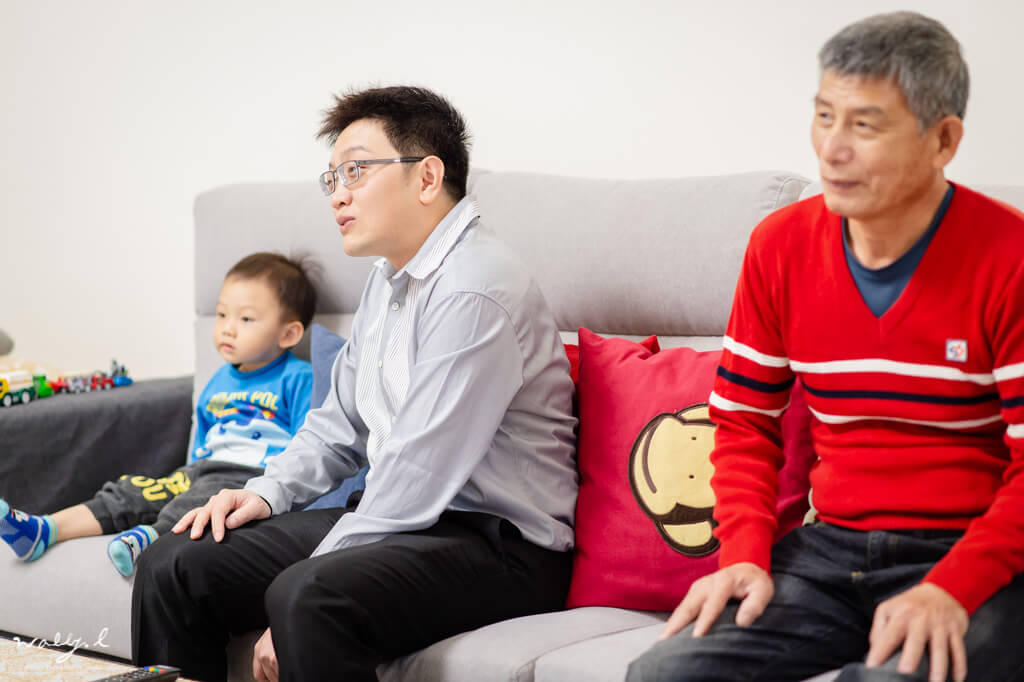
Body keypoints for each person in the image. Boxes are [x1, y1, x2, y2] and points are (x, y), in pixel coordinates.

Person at [131, 86, 578, 682]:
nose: (338, 194)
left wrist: (310, 577)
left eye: (356, 171)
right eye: (332, 177)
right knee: (174, 564)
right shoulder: (388, 280)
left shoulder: (475, 288)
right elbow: (339, 423)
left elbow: (419, 470)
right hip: (407, 523)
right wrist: (265, 494)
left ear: (427, 178)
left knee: (305, 596)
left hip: (502, 548)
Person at [628, 11, 1024, 682]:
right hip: (829, 553)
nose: (832, 150)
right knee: (665, 674)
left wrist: (951, 588)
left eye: (865, 126)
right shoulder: (779, 247)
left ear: (943, 140)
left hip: (971, 555)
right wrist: (744, 555)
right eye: (824, 117)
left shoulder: (1008, 258)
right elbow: (744, 423)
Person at [0, 252, 316, 576]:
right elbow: (202, 434)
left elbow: (307, 444)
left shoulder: (299, 377)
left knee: (201, 499)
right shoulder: (219, 379)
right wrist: (189, 472)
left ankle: (150, 539)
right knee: (132, 489)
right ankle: (46, 530)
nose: (227, 329)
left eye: (246, 319)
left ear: (288, 334)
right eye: (222, 314)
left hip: (250, 476)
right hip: (202, 469)